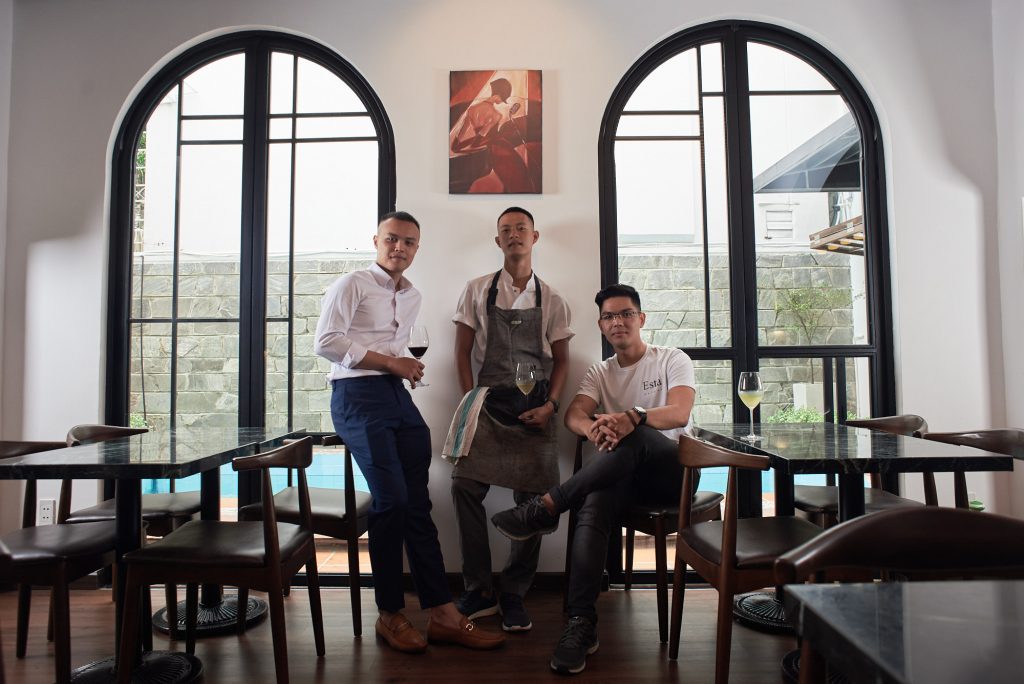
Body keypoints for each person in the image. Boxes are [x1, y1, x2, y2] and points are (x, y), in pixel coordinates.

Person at [314, 211, 504, 653]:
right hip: (356, 397)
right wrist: (390, 362)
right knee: (392, 501)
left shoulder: (413, 295)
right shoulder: (352, 284)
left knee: (418, 503)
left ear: (417, 248)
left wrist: (404, 367)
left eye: (409, 242)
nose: (400, 247)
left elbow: (394, 352)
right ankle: (389, 612)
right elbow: (326, 342)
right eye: (392, 239)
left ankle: (442, 613)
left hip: (396, 396)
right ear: (376, 241)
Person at [491, 283, 698, 674]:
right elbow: (574, 414)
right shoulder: (600, 372)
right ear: (601, 326)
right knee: (596, 499)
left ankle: (548, 505)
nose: (617, 322)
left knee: (635, 434)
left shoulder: (672, 359)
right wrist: (593, 429)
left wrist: (633, 417)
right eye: (609, 317)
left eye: (625, 314)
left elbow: (679, 413)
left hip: (675, 474)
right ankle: (581, 622)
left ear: (641, 318)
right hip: (625, 477)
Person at [449, 206, 573, 632]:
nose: (514, 234)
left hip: (535, 408)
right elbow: (461, 352)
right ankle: (477, 589)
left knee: (536, 500)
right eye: (506, 229)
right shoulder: (476, 290)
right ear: (497, 240)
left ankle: (514, 593)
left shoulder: (552, 299)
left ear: (534, 237)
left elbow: (562, 361)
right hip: (487, 404)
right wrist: (469, 400)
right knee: (464, 486)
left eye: (522, 228)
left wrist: (551, 405)